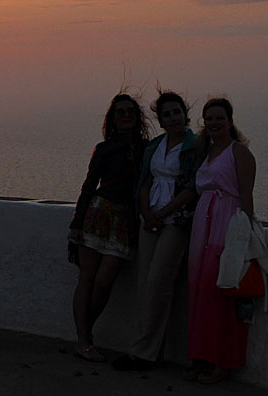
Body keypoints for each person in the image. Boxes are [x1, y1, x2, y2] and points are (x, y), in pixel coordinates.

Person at [113, 91, 199, 371]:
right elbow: (145, 181)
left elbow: (191, 189)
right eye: (167, 114)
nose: (173, 118)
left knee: (158, 284)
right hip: (150, 219)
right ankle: (148, 349)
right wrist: (148, 213)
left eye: (176, 112)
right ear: (159, 120)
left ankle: (143, 353)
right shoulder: (157, 146)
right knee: (144, 285)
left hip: (175, 221)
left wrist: (162, 214)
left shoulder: (194, 146)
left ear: (185, 114)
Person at [69, 93, 149, 362]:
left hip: (124, 219)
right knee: (87, 279)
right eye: (120, 112)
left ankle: (85, 334)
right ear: (112, 119)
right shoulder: (104, 148)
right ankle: (83, 341)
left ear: (137, 117)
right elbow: (89, 185)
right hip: (98, 213)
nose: (125, 115)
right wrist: (77, 223)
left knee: (105, 281)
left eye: (130, 111)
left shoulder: (146, 148)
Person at [185, 98, 256, 384]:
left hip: (226, 225)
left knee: (220, 296)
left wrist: (245, 234)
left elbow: (247, 196)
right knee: (199, 294)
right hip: (203, 227)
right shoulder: (208, 151)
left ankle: (222, 362)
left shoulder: (239, 153)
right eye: (209, 118)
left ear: (230, 121)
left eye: (219, 118)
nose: (214, 123)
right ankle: (200, 357)